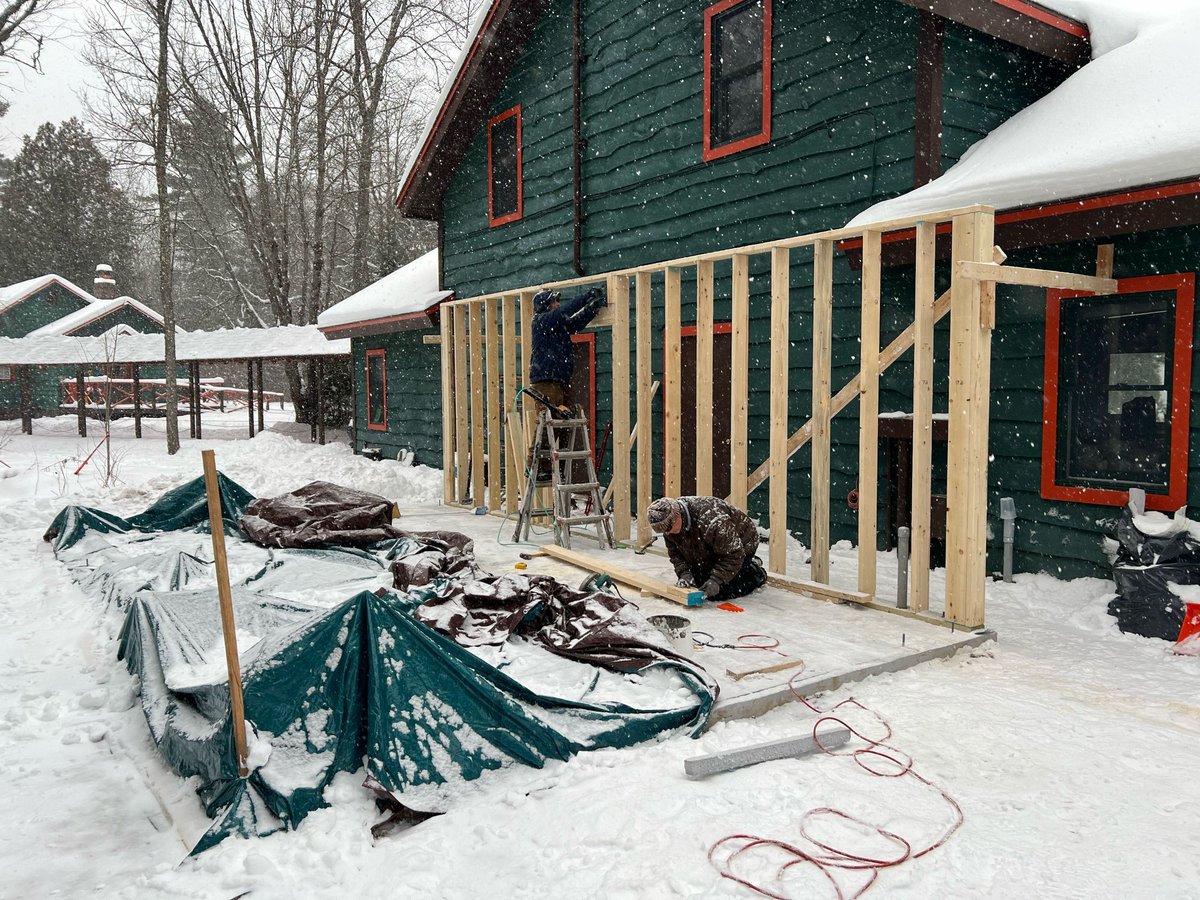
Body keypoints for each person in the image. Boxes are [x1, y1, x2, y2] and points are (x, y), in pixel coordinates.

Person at [646, 496, 766, 601]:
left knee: (719, 592)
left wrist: (716, 580)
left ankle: (754, 570)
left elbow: (734, 554)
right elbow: (675, 553)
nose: (667, 534)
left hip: (741, 545)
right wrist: (684, 573)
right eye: (663, 531)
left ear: (678, 516)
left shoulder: (712, 520)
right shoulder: (669, 526)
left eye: (668, 528)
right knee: (698, 584)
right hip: (710, 543)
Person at [527, 285, 606, 409]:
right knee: (551, 423)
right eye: (554, 302)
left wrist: (593, 308)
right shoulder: (541, 321)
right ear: (545, 306)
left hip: (555, 382)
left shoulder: (556, 325)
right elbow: (564, 311)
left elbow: (576, 322)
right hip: (545, 384)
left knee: (557, 422)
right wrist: (587, 296)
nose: (558, 304)